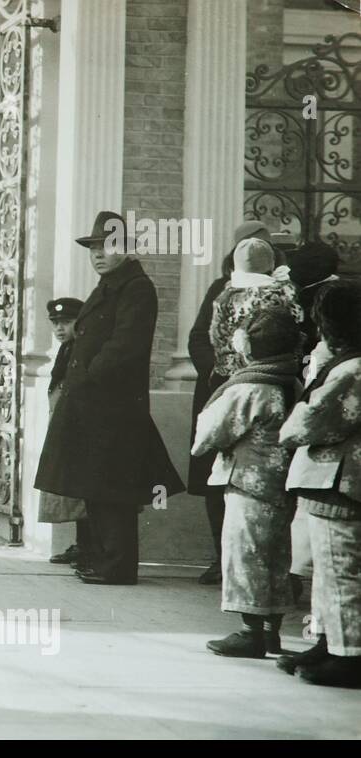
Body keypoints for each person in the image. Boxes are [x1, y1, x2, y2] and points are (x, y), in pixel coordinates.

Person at [34, 211, 185, 585]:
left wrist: (87, 376)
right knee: (97, 485)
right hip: (95, 405)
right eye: (93, 248)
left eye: (107, 247)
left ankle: (116, 565)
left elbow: (124, 346)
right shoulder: (109, 286)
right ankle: (102, 559)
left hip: (113, 406)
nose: (98, 254)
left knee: (114, 487)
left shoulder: (135, 287)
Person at [192, 307, 302, 659]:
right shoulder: (291, 381)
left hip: (249, 481)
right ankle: (272, 632)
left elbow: (210, 432)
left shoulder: (251, 387)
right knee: (277, 557)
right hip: (282, 481)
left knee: (246, 554)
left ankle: (249, 632)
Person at [187, 221, 280, 586]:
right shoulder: (219, 290)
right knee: (215, 477)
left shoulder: (280, 291)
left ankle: (257, 566)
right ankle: (219, 556)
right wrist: (221, 372)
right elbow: (198, 339)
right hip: (221, 392)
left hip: (263, 393)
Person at [278, 280, 361, 688]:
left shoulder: (352, 368)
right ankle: (328, 641)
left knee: (341, 570)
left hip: (340, 480)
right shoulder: (344, 363)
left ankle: (349, 654)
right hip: (331, 481)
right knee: (326, 569)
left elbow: (315, 419)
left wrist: (290, 427)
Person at [40, 298, 89, 564]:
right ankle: (82, 544)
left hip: (77, 426)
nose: (60, 329)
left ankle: (87, 545)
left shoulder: (78, 350)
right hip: (64, 423)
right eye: (55, 323)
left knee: (82, 490)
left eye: (66, 323)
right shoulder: (66, 349)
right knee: (73, 488)